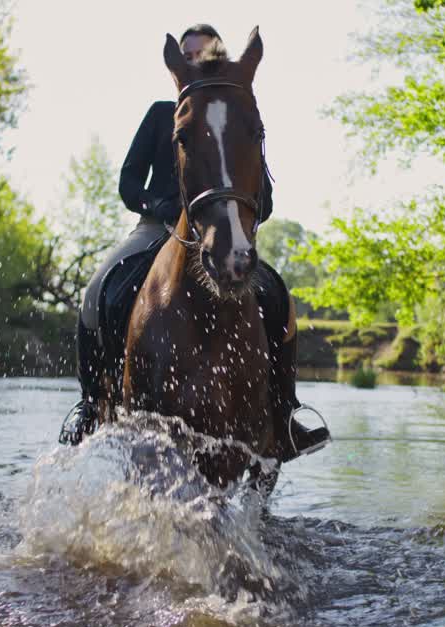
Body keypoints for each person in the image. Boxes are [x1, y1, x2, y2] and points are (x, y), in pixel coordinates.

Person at [59, 24, 329, 461]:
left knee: (280, 298)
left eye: (204, 54)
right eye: (189, 55)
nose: (196, 61)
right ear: (178, 66)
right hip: (156, 228)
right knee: (97, 291)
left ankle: (284, 418)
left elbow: (265, 196)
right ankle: (91, 403)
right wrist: (161, 206)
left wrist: (242, 208)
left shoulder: (234, 117)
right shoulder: (162, 114)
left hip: (221, 228)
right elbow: (129, 183)